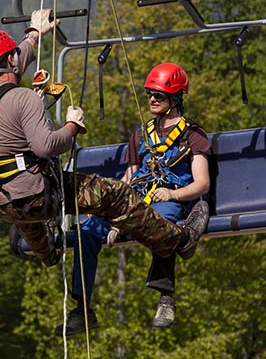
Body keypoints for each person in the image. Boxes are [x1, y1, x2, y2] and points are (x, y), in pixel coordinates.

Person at [0, 10, 210, 319]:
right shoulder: (24, 98)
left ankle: (48, 255)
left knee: (37, 231)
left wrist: (34, 32)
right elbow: (46, 146)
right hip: (37, 194)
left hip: (3, 199)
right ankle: (180, 239)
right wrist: (72, 126)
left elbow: (18, 58)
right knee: (115, 195)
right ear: (12, 62)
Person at [60, 63, 211, 335]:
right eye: (149, 94)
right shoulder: (141, 134)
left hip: (168, 200)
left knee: (161, 224)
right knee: (86, 232)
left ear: (175, 99)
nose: (152, 99)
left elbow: (202, 183)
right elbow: (130, 178)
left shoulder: (193, 136)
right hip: (134, 199)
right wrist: (103, 207)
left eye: (159, 95)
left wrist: (173, 193)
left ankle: (166, 297)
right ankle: (82, 309)